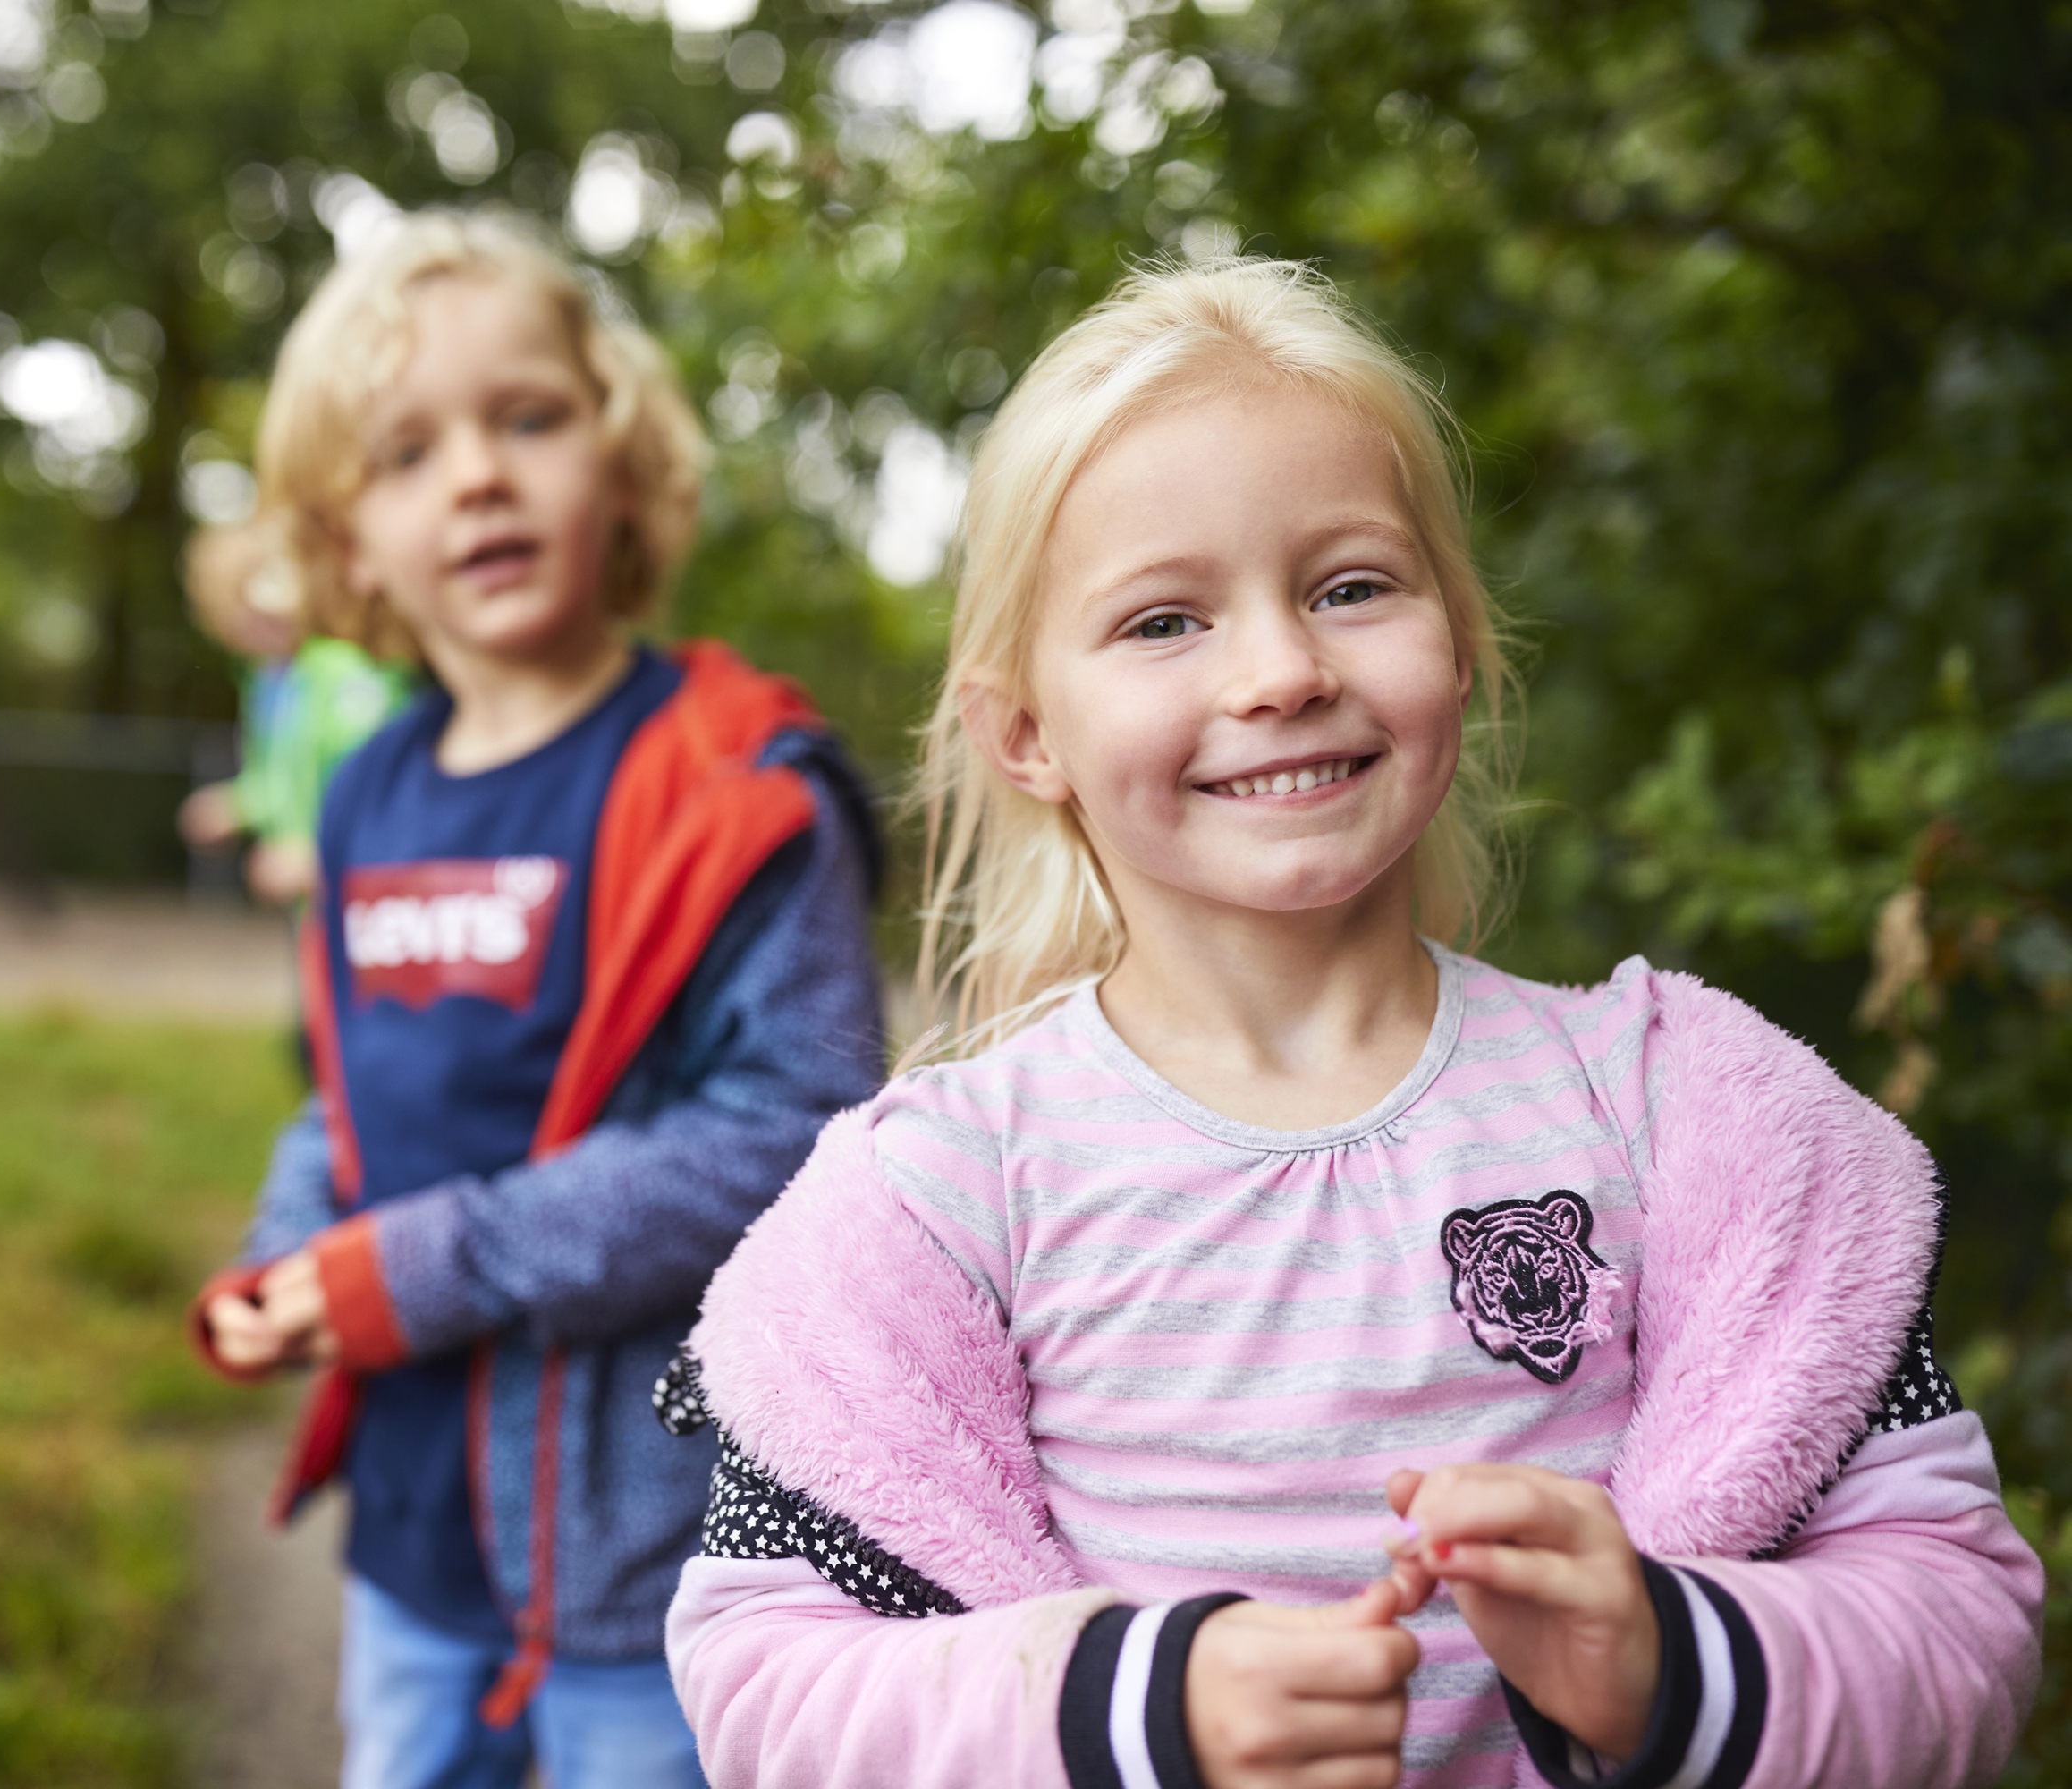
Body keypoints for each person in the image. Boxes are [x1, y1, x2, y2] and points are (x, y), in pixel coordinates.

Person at [658, 258, 2044, 1789]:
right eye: (1167, 620)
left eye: (1352, 588)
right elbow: (766, 1679)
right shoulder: (938, 1198)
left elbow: (1960, 1614)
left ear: (1459, 641)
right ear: (1027, 732)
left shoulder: (1676, 1112)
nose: (1282, 673)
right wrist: (1139, 1708)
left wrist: (1664, 1658)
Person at [182, 209, 886, 1789]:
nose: (479, 477)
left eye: (529, 419)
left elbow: (799, 1134)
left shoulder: (737, 790)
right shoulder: (362, 797)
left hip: (650, 1567)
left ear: (624, 462)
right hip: (414, 1546)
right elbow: (352, 1094)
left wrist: (429, 1265)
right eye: (406, 452)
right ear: (345, 541)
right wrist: (292, 1248)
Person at [179, 520, 413, 908]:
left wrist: (318, 855)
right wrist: (237, 806)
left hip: (369, 898)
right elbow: (283, 782)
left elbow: (393, 776)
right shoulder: (269, 682)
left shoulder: (345, 669)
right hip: (315, 910)